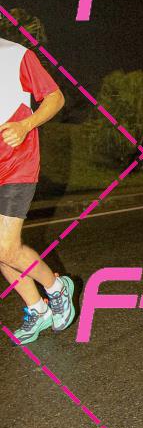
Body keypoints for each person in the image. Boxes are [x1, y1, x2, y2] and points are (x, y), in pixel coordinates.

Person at [0, 36, 76, 344]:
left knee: (6, 248)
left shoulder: (15, 54)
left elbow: (56, 97)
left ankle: (57, 288)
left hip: (17, 165)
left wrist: (25, 125)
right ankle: (37, 308)